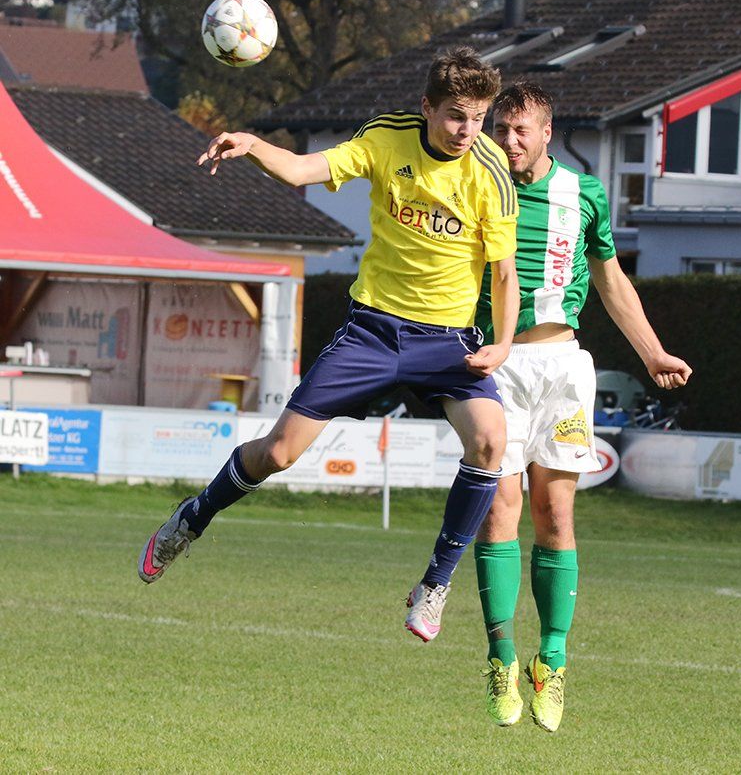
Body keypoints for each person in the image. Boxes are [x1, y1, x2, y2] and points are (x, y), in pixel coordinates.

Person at [137, 47, 520, 643]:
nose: (467, 130)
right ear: (427, 107)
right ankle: (192, 517)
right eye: (454, 115)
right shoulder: (387, 137)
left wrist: (503, 343)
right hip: (373, 330)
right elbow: (300, 170)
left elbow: (504, 274)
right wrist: (253, 144)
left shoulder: (491, 172)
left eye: (477, 118)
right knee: (279, 453)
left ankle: (435, 585)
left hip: (447, 340)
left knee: (491, 440)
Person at [472, 81, 692, 728]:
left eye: (520, 130)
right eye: (500, 129)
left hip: (564, 368)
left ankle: (553, 662)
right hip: (496, 366)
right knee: (500, 509)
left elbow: (611, 281)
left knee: (556, 514)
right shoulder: (478, 185)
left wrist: (653, 352)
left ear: (547, 132)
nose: (508, 141)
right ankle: (501, 658)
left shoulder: (584, 193)